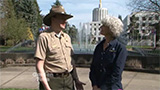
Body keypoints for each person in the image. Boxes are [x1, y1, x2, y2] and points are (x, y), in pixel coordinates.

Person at [34, 3, 85, 90]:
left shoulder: (66, 37)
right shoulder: (44, 37)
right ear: (53, 19)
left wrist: (76, 80)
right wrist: (47, 87)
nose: (65, 21)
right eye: (62, 18)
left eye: (65, 19)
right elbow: (39, 65)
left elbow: (71, 61)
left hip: (68, 79)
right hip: (52, 81)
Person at [89, 15, 128, 90]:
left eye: (104, 25)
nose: (101, 27)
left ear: (111, 28)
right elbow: (93, 68)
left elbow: (116, 73)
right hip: (97, 87)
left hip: (112, 87)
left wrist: (103, 88)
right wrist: (94, 84)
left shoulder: (120, 49)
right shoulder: (99, 47)